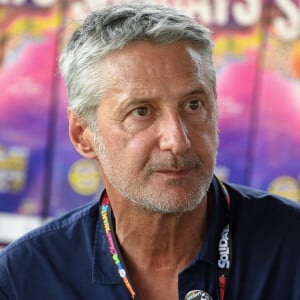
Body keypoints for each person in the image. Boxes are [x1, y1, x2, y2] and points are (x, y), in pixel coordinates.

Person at [0, 2, 300, 300]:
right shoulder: (25, 277)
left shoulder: (291, 246)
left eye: (193, 105)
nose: (177, 140)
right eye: (141, 111)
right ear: (82, 134)